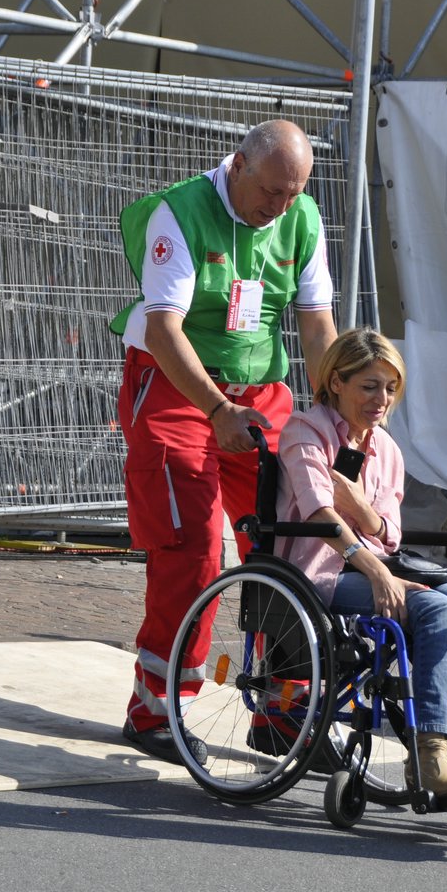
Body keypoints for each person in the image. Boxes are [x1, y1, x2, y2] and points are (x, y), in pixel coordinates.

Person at [110, 120, 339, 765]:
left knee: (295, 537)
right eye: (271, 192)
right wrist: (216, 409)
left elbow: (317, 324)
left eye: (294, 194)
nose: (281, 207)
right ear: (237, 166)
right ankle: (156, 707)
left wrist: (335, 406)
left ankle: (283, 706)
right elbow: (163, 331)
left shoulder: (302, 219)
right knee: (192, 544)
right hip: (180, 386)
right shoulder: (179, 213)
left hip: (262, 391)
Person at [276, 327, 447, 802]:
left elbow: (391, 531)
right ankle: (429, 755)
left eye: (390, 388)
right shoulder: (305, 430)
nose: (381, 399)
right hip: (317, 574)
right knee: (435, 610)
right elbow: (319, 513)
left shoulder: (386, 448)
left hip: (376, 566)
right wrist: (375, 566)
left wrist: (364, 511)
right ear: (336, 382)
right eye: (369, 386)